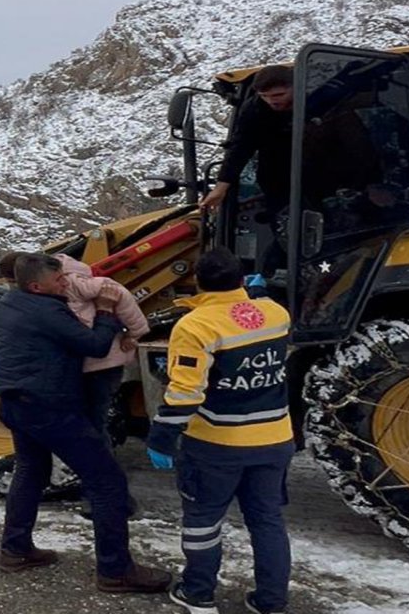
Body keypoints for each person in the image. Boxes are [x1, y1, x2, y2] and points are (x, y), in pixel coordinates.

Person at [0, 252, 171, 594]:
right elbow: (96, 345)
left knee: (31, 471)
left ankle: (15, 550)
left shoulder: (10, 302)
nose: (65, 283)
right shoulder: (48, 310)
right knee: (107, 482)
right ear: (36, 286)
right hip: (50, 410)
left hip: (15, 404)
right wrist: (104, 309)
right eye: (58, 281)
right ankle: (116, 571)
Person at [146, 248, 294, 614]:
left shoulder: (195, 325)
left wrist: (162, 437)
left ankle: (198, 593)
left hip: (217, 444)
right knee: (267, 521)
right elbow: (248, 316)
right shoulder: (276, 313)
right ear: (242, 281)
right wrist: (256, 295)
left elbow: (185, 392)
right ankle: (272, 602)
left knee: (203, 521)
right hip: (275, 439)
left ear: (196, 282)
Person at [55, 254, 150, 446]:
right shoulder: (67, 285)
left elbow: (116, 292)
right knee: (92, 416)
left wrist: (136, 332)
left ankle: (99, 462)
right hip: (94, 362)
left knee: (93, 419)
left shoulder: (74, 282)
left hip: (99, 362)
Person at [201, 65, 294, 214]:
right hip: (277, 174)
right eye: (264, 96)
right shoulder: (254, 109)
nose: (271, 101)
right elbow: (240, 147)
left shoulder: (320, 102)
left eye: (278, 95)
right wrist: (220, 188)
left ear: (295, 88)